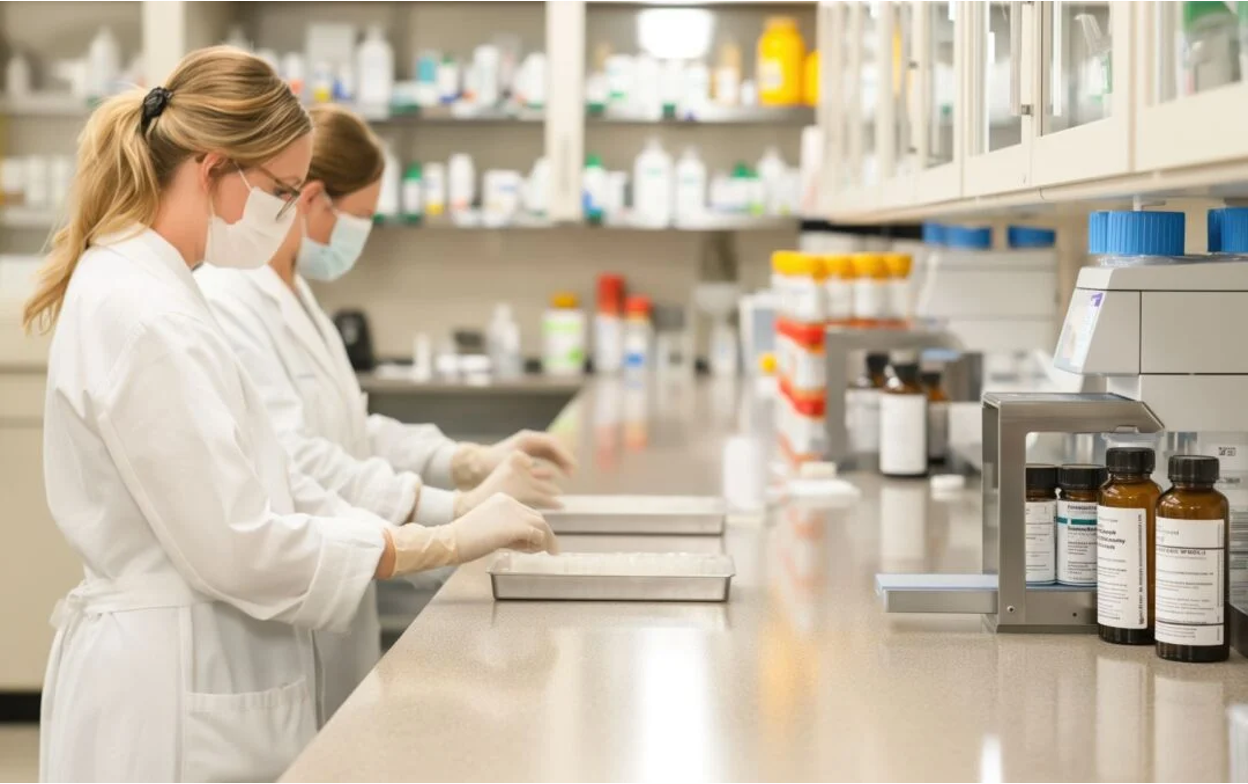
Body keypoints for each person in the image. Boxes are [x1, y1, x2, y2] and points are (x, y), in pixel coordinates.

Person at [24, 47, 556, 783]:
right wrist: (434, 542)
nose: (285, 214)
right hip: (170, 691)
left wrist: (438, 522)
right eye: (280, 191)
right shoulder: (144, 313)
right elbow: (238, 544)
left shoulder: (169, 291)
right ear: (213, 169)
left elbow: (270, 469)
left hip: (202, 659)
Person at [196, 103, 576, 722]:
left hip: (337, 594)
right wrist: (451, 514)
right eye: (361, 219)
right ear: (311, 199)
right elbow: (299, 459)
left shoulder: (296, 289)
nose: (360, 237)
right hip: (292, 603)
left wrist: (466, 460)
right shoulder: (232, 296)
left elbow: (352, 426)